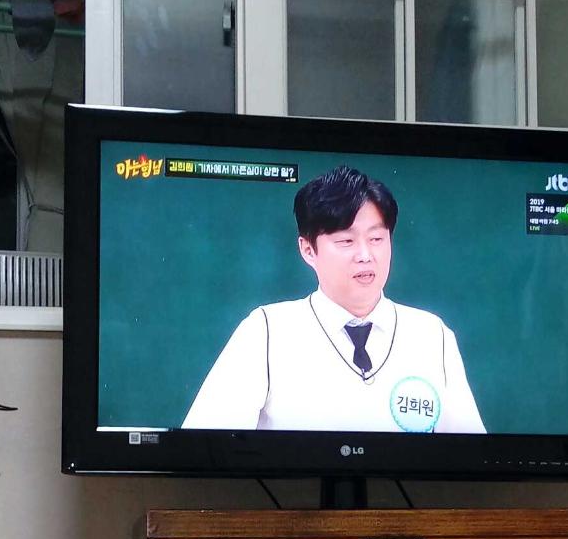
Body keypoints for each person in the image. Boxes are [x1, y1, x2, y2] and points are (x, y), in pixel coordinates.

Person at [181, 164, 485, 433]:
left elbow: (471, 456)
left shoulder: (431, 335)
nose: (365, 255)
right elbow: (203, 446)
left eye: (376, 239)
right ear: (308, 250)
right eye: (346, 241)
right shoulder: (266, 330)